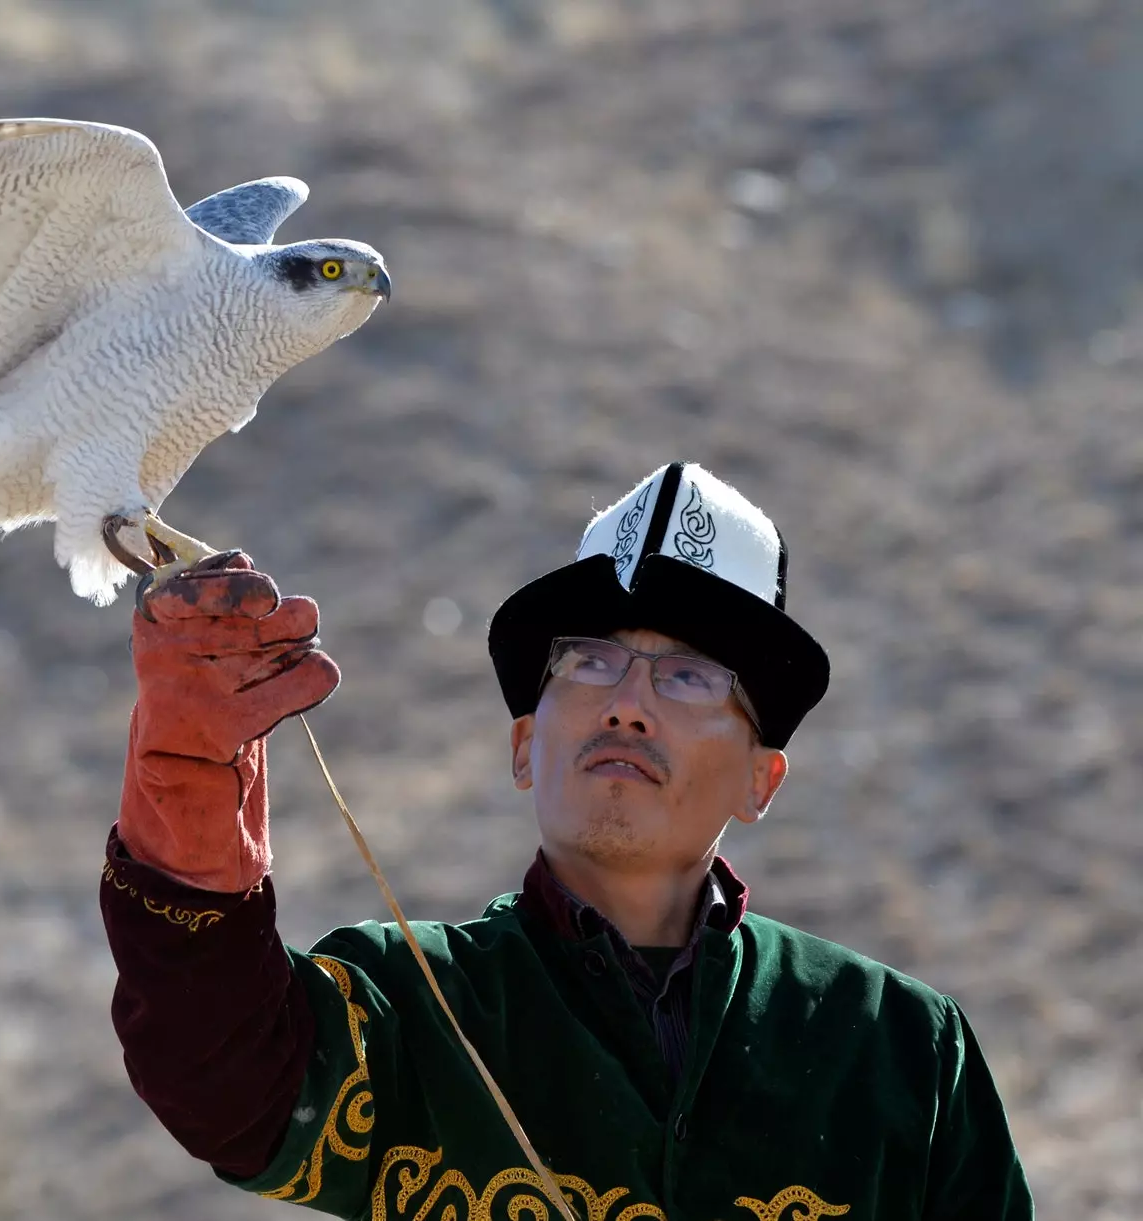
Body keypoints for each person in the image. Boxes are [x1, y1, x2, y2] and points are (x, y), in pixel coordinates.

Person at [99, 462, 1034, 1221]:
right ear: (523, 744)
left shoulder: (901, 1050)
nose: (626, 702)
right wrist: (186, 790)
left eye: (691, 675)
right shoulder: (411, 1009)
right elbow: (221, 1076)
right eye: (589, 661)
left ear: (762, 778)